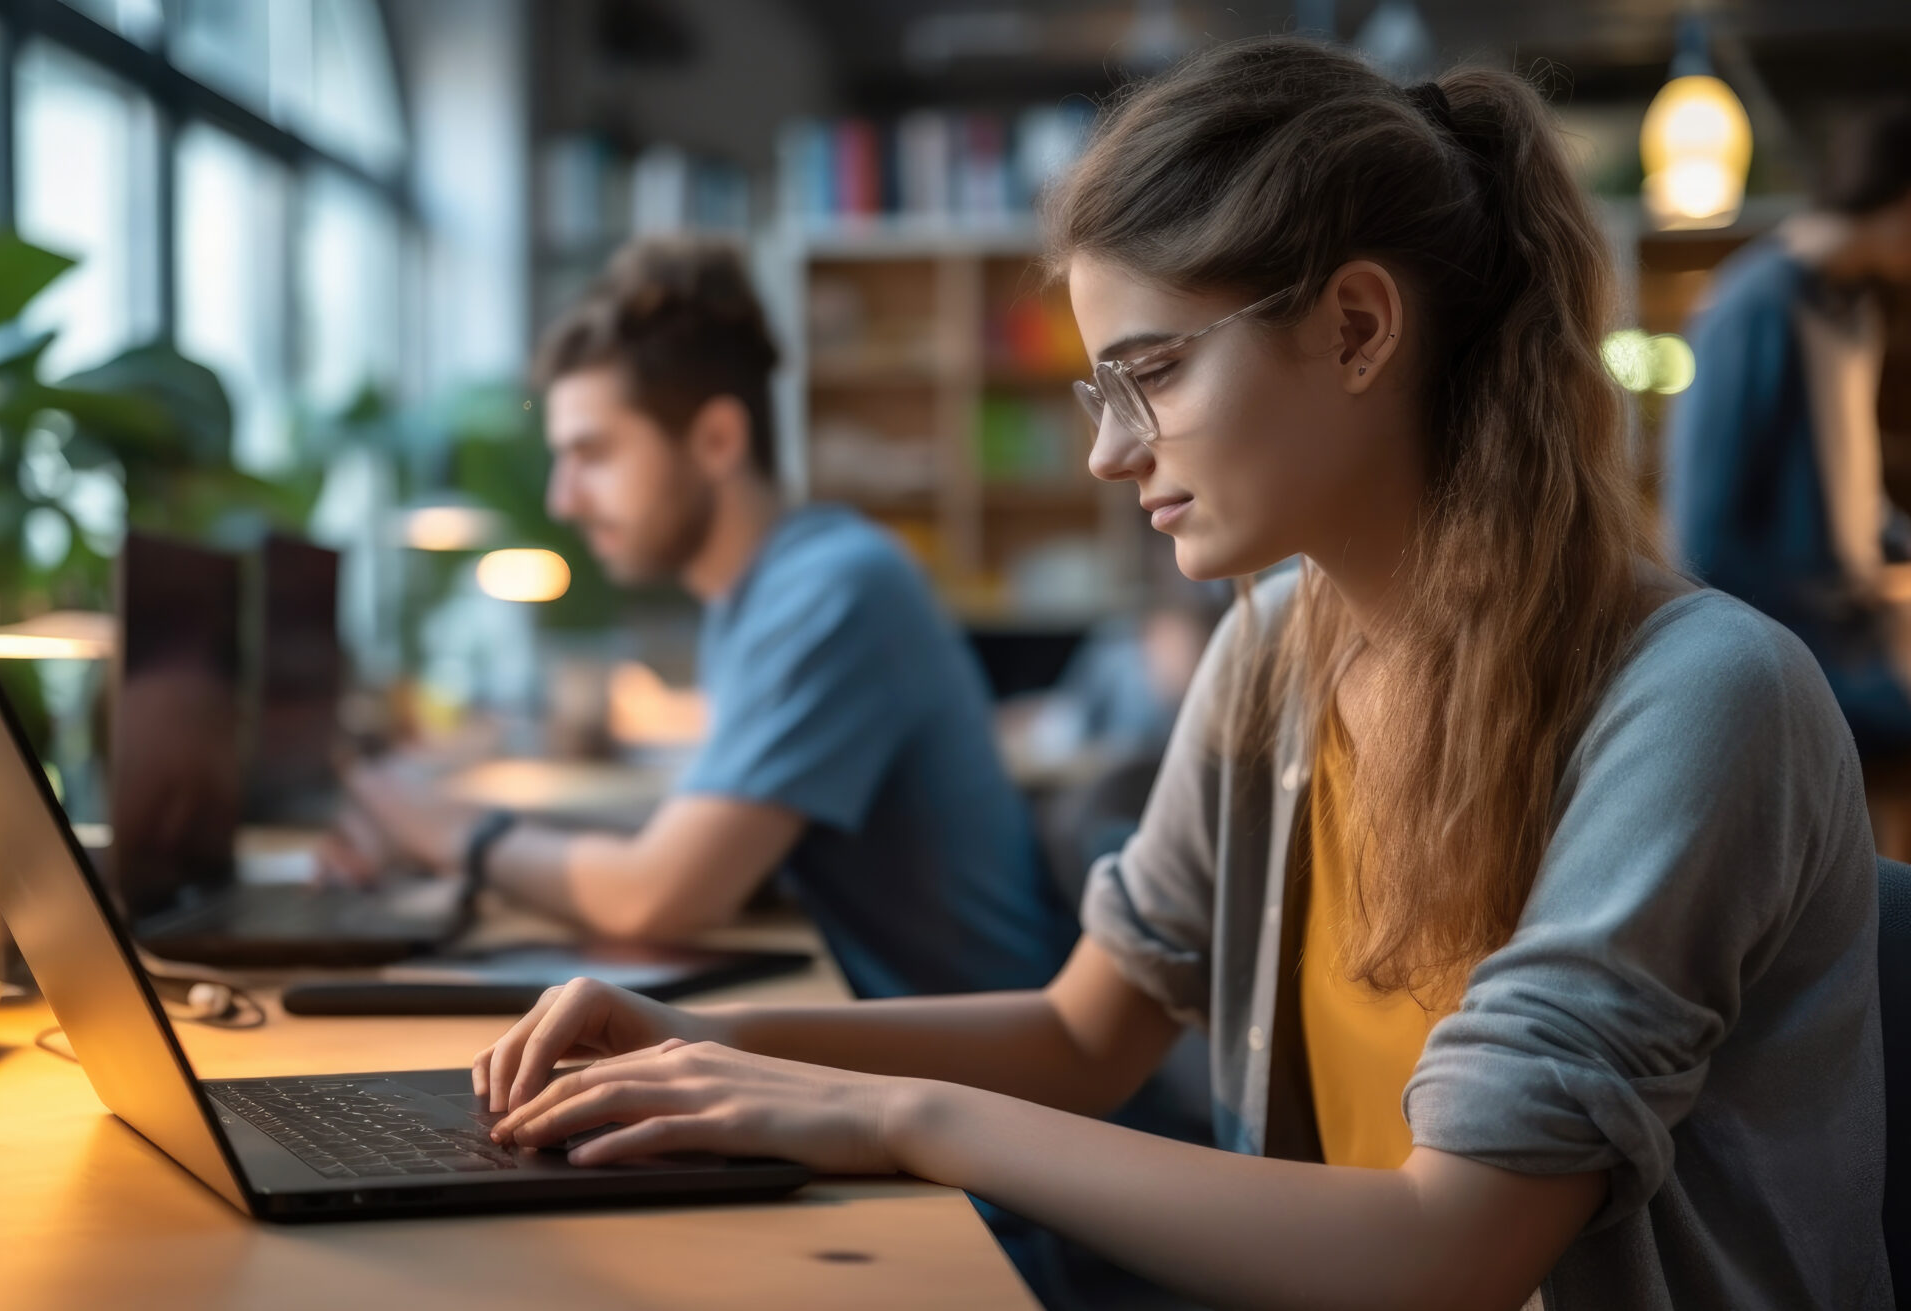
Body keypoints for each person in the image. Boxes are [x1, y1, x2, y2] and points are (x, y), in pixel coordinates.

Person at [462, 39, 1891, 1311]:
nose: (1107, 451)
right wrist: (711, 1039)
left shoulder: (1703, 699)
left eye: (1150, 373)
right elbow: (1086, 1029)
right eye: (1102, 391)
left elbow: (1451, 1247)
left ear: (1357, 329)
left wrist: (890, 1112)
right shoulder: (1278, 645)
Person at [326, 237, 1074, 1002]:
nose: (563, 498)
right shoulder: (756, 597)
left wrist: (451, 831)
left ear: (717, 438)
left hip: (990, 1080)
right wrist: (456, 830)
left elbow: (661, 891)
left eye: (594, 453)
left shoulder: (835, 590)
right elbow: (685, 834)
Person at [1665, 101, 1911, 854]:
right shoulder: (1756, 306)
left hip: (1848, 642)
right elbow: (1701, 541)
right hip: (1794, 661)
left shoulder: (1852, 312)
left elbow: (1847, 499)